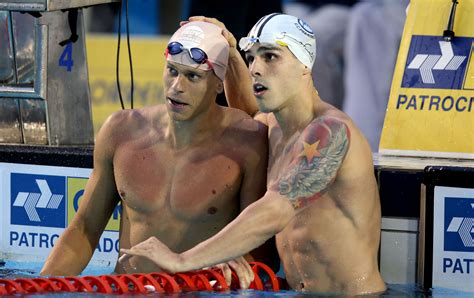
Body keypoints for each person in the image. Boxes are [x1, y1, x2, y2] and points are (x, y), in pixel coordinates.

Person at [120, 14, 386, 295]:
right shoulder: (275, 130)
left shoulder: (331, 132)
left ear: (305, 64)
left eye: (270, 57)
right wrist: (232, 53)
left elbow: (276, 209)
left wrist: (183, 260)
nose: (255, 69)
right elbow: (247, 115)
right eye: (251, 58)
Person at [40, 21, 272, 287]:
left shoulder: (248, 143)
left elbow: (260, 252)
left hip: (200, 293)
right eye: (172, 71)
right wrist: (41, 289)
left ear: (218, 84)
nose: (177, 87)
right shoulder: (121, 131)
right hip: (128, 289)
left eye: (192, 76)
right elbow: (84, 230)